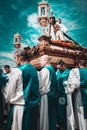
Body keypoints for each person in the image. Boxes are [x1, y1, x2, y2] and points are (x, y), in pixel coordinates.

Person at [3, 49, 41, 130]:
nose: (15, 61)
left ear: (19, 57)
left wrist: (7, 100)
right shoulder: (35, 70)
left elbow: (9, 90)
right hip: (33, 107)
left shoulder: (17, 70)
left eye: (15, 58)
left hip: (20, 108)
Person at [38, 55, 57, 130]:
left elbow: (40, 83)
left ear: (46, 61)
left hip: (46, 95)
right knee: (51, 115)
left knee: (45, 115)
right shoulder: (52, 69)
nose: (40, 62)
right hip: (52, 94)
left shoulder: (45, 70)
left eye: (41, 60)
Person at [67, 60, 87, 130]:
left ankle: (83, 127)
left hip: (81, 93)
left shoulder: (75, 71)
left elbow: (74, 84)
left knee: (81, 112)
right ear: (86, 65)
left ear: (79, 64)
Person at [56, 60, 75, 130]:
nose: (58, 69)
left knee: (66, 111)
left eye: (59, 68)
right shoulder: (57, 72)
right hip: (59, 95)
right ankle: (61, 126)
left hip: (66, 95)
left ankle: (67, 126)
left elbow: (72, 83)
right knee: (60, 111)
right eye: (57, 68)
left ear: (64, 65)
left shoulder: (69, 72)